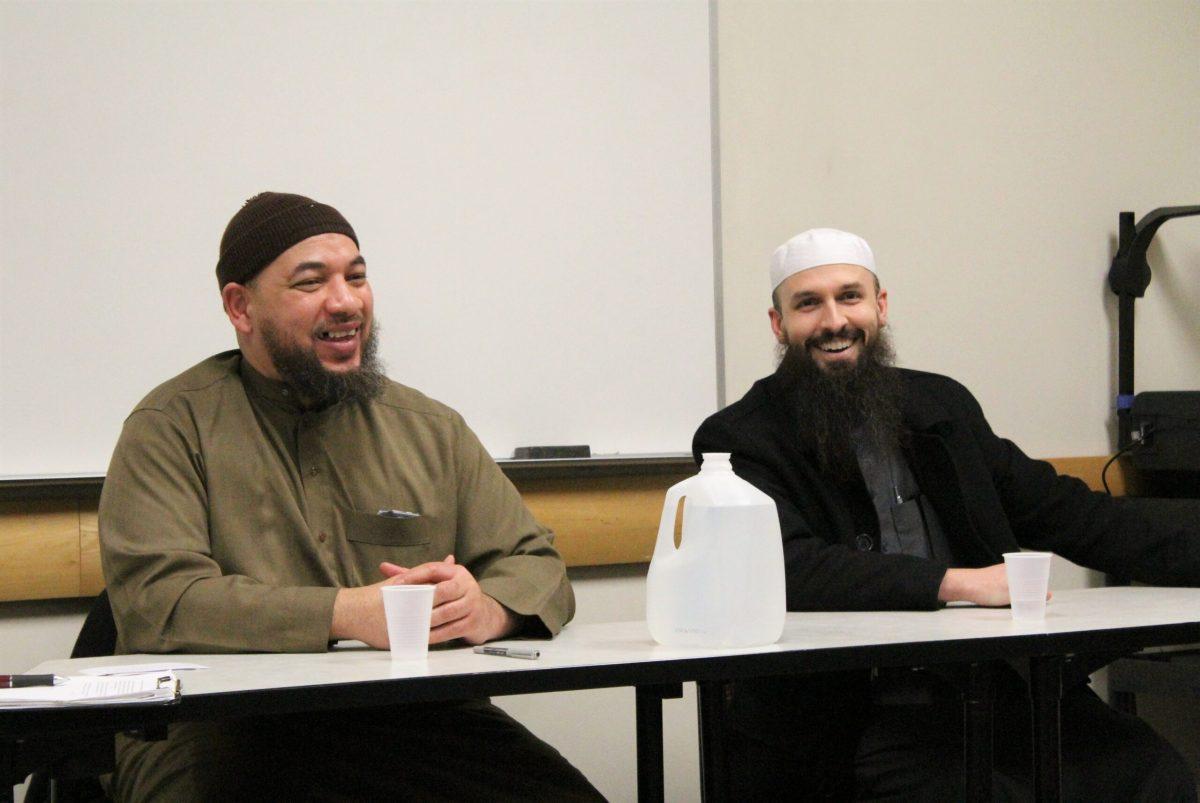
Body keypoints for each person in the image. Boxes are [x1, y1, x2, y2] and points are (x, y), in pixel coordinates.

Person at [99, 192, 602, 801]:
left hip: (411, 719)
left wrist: (488, 608)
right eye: (312, 283)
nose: (346, 302)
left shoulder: (429, 427)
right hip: (220, 726)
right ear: (241, 307)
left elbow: (536, 565)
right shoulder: (172, 426)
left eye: (356, 277)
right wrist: (347, 614)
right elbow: (160, 602)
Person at [693, 228, 1200, 800]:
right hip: (857, 715)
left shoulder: (941, 406)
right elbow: (787, 566)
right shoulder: (741, 437)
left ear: (880, 307)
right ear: (778, 324)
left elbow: (1068, 513)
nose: (834, 320)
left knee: (1152, 773)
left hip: (993, 687)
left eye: (850, 297)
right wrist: (959, 584)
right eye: (808, 304)